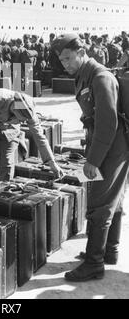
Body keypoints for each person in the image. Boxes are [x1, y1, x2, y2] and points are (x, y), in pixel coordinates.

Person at [51, 33, 129, 282]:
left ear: (82, 52)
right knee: (112, 202)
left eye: (68, 58)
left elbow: (109, 125)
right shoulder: (85, 74)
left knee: (98, 203)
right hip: (107, 145)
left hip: (112, 147)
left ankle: (94, 263)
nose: (66, 64)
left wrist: (93, 161)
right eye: (62, 60)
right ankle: (109, 251)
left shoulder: (100, 76)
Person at [0, 87, 64, 183]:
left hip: (10, 131)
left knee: (7, 164)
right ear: (13, 109)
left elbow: (39, 136)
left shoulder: (29, 110)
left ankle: (3, 192)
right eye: (21, 120)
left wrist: (52, 162)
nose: (23, 122)